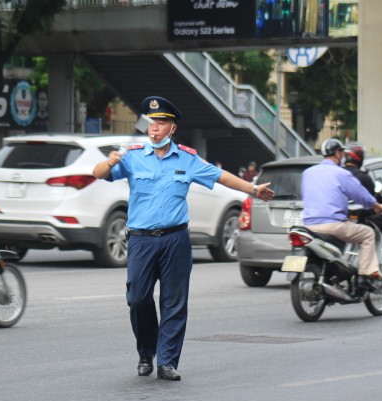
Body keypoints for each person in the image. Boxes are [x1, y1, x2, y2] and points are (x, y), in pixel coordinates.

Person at [92, 96, 275, 381]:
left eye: (161, 123)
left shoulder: (187, 159)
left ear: (172, 128)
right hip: (141, 240)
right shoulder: (133, 156)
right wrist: (109, 161)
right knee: (138, 299)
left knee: (174, 302)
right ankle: (146, 351)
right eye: (152, 123)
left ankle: (167, 361)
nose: (154, 129)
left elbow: (221, 177)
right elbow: (98, 174)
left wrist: (252, 190)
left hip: (176, 240)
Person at [301, 138, 382, 290]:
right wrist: (376, 205)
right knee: (368, 233)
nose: (343, 157)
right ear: (337, 153)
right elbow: (361, 195)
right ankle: (364, 276)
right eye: (341, 153)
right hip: (332, 225)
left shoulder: (308, 173)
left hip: (308, 225)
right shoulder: (341, 173)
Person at [342, 142, 382, 247]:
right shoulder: (363, 177)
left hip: (336, 220)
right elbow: (374, 200)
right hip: (357, 220)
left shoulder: (337, 174)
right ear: (360, 158)